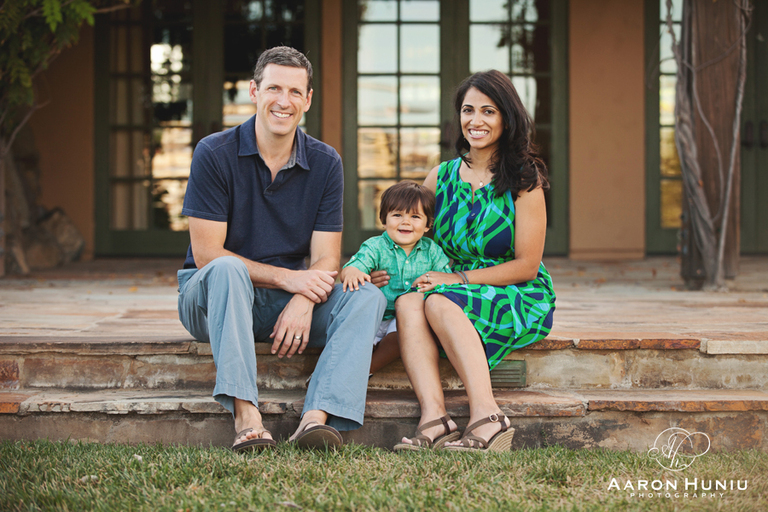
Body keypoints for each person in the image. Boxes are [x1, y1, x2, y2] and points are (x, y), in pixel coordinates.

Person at [176, 46, 386, 452]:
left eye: (294, 92)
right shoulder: (213, 153)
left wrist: (305, 298)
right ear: (254, 91)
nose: (283, 101)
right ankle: (246, 414)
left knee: (368, 298)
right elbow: (207, 255)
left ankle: (316, 417)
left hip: (284, 302)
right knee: (226, 270)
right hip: (211, 300)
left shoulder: (326, 162)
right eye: (274, 88)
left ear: (307, 100)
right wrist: (291, 279)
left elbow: (326, 257)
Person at [388, 70, 556, 452]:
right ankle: (435, 419)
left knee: (439, 300)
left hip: (515, 289)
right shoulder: (440, 177)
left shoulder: (524, 182)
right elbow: (410, 235)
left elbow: (527, 265)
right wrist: (378, 266)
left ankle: (489, 417)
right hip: (452, 289)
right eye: (468, 110)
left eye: (488, 111)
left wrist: (457, 278)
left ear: (506, 118)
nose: (475, 121)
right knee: (409, 301)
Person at [340, 181, 452, 375]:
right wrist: (353, 271)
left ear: (428, 225)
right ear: (384, 220)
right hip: (373, 316)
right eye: (397, 215)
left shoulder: (432, 251)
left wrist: (434, 283)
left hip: (405, 320)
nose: (405, 222)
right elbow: (355, 265)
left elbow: (444, 279)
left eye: (415, 216)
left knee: (401, 338)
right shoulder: (375, 246)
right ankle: (338, 371)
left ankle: (363, 372)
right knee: (356, 342)